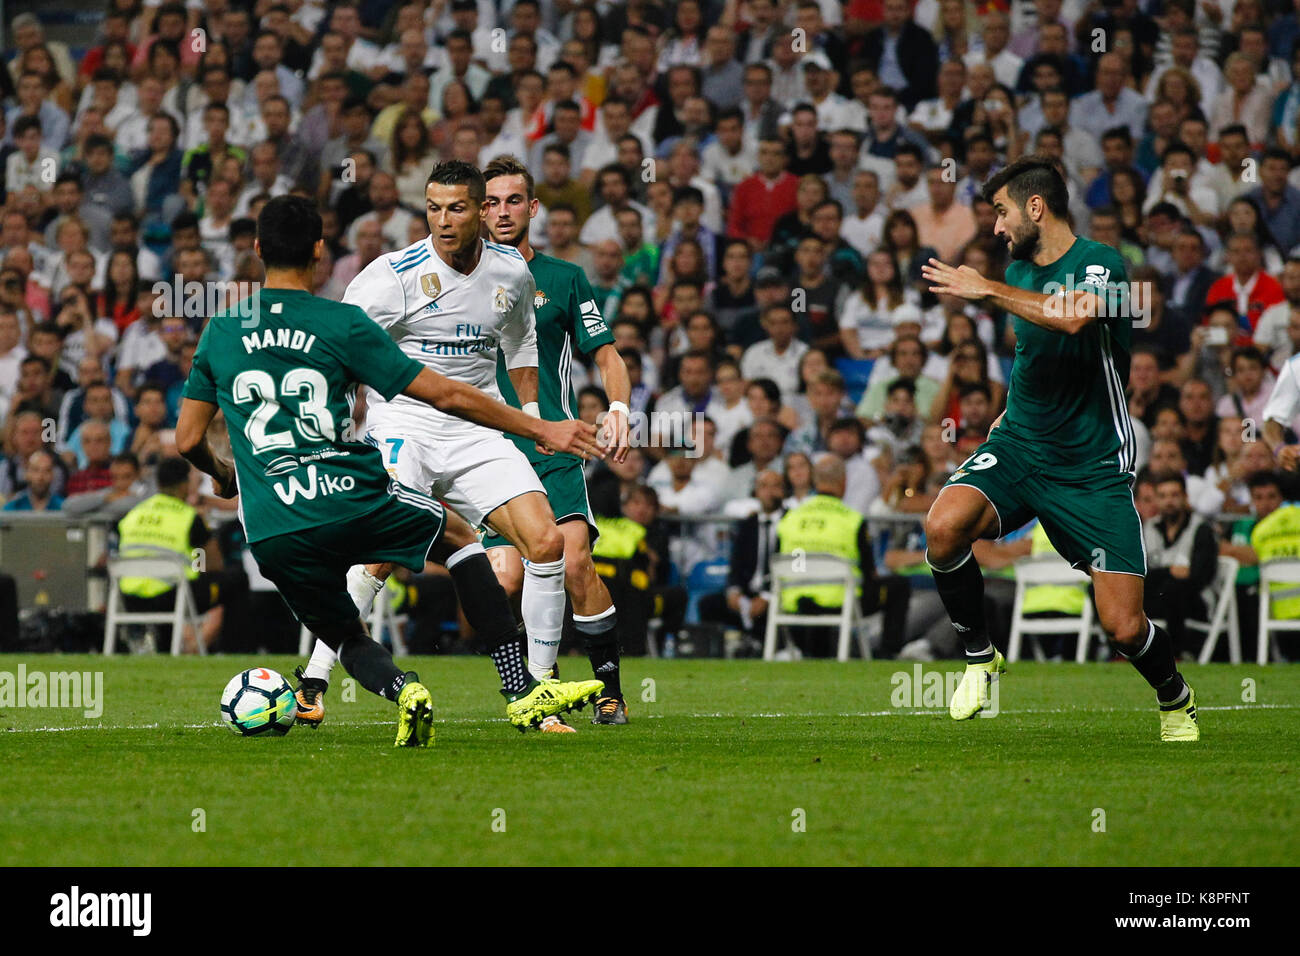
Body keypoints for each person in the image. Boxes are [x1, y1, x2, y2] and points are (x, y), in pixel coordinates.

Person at [177, 195, 605, 746]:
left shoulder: (222, 329)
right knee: (457, 537)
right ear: (319, 250)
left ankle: (402, 690)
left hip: (272, 527)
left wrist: (222, 472)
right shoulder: (342, 323)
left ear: (257, 249)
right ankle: (522, 690)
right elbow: (448, 394)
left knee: (346, 633)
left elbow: (187, 439)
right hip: (348, 493)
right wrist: (540, 428)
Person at [920, 154, 1199, 740]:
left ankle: (1175, 698)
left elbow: (1073, 320)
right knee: (944, 526)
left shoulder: (1101, 264)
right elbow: (1031, 355)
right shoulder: (1016, 270)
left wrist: (985, 291)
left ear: (1035, 207)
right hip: (1022, 446)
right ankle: (979, 658)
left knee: (1123, 627)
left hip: (1091, 466)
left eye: (1001, 212)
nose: (996, 227)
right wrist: (1005, 417)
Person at [480, 154, 634, 728]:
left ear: (533, 208)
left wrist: (617, 407)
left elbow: (607, 353)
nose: (501, 212)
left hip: (552, 448)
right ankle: (530, 691)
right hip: (484, 452)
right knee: (504, 576)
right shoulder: (458, 281)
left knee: (574, 563)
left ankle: (609, 690)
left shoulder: (564, 278)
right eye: (490, 201)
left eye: (512, 200)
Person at [775, 454, 910, 657]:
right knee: (898, 586)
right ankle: (888, 653)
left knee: (818, 588)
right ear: (844, 482)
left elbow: (779, 560)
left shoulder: (789, 518)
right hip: (841, 601)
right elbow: (869, 572)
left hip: (794, 601)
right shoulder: (852, 520)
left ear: (814, 480)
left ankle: (815, 654)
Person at [114, 456, 239, 653]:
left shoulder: (133, 514)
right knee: (237, 580)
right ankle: (237, 650)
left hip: (131, 598)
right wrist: (198, 565)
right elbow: (214, 563)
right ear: (184, 484)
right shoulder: (188, 516)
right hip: (172, 596)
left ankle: (164, 648)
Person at [1143, 472, 1219, 657]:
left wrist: (1158, 575)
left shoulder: (1201, 529)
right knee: (1105, 590)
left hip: (1195, 601)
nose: (1169, 501)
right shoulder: (1148, 528)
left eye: (1174, 495)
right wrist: (1170, 571)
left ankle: (1176, 654)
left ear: (1185, 497)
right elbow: (1141, 573)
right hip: (1158, 596)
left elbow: (1199, 576)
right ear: (1157, 500)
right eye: (1163, 496)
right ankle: (1121, 650)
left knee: (1173, 590)